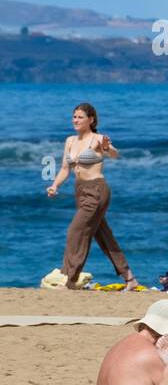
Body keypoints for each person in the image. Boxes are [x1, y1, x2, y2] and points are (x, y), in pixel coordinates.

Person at [45, 102, 140, 290]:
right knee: (103, 235)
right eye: (74, 116)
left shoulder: (98, 139)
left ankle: (70, 280)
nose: (75, 120)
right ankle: (130, 278)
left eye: (80, 117)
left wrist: (107, 147)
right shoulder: (70, 140)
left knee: (76, 231)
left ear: (91, 120)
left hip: (97, 190)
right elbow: (65, 168)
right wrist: (55, 185)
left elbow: (114, 154)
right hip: (80, 191)